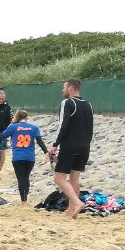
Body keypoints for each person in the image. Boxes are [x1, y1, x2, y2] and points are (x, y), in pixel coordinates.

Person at [48, 78, 94, 219]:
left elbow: (63, 125)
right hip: (85, 147)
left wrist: (54, 145)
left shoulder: (68, 103)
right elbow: (90, 127)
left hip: (70, 146)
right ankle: (70, 212)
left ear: (70, 88)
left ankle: (77, 202)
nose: (63, 90)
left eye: (64, 87)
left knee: (58, 178)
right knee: (74, 179)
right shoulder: (88, 104)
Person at [2, 109, 50, 204]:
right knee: (26, 177)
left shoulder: (13, 127)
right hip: (30, 157)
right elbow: (40, 141)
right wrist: (46, 152)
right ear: (26, 117)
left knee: (20, 179)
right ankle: (26, 198)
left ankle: (23, 200)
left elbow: (3, 135)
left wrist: (11, 124)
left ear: (17, 117)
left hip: (18, 157)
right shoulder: (34, 127)